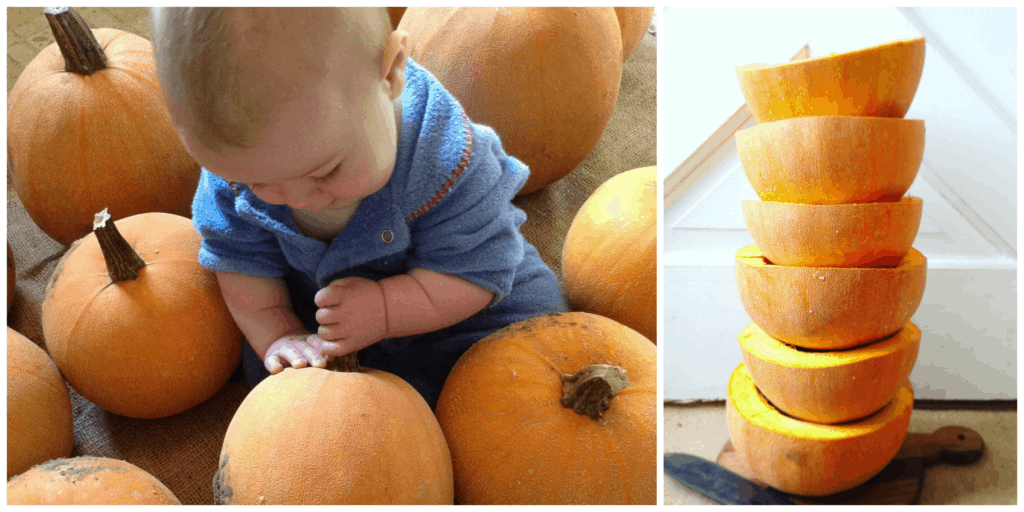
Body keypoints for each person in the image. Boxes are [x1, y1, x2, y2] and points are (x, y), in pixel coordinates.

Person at [150, 7, 565, 408]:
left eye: (325, 172)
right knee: (303, 416)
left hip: (450, 299)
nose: (298, 199)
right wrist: (280, 333)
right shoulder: (234, 173)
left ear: (390, 72)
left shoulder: (447, 162)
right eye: (258, 184)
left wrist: (387, 309)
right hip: (317, 312)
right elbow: (239, 261)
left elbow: (477, 270)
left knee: (519, 368)